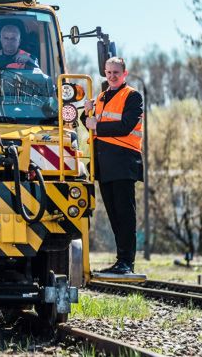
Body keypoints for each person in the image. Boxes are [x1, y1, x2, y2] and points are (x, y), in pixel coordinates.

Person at [83, 57, 143, 275]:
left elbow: (126, 126)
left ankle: (127, 262)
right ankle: (121, 260)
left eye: (116, 72)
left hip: (123, 162)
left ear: (124, 73)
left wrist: (96, 125)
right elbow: (89, 123)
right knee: (114, 216)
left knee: (125, 215)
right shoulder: (101, 96)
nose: (112, 76)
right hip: (104, 165)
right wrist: (86, 112)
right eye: (108, 72)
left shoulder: (133, 96)